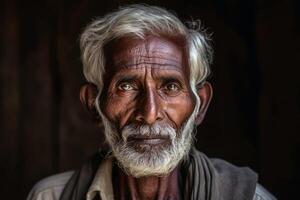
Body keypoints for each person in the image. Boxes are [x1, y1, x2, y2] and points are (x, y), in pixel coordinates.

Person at [27, 4, 276, 200]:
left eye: (170, 87)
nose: (149, 113)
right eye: (126, 86)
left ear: (200, 104)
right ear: (94, 103)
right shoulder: (49, 197)